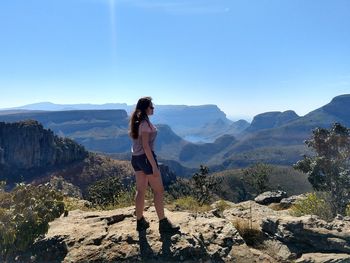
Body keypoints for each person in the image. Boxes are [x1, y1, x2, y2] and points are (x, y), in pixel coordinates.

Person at [129, 96, 180, 233]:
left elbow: (138, 145)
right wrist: (154, 167)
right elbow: (146, 146)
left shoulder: (138, 122)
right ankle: (163, 224)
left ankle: (140, 222)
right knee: (159, 191)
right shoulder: (145, 124)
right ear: (146, 108)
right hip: (146, 159)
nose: (153, 108)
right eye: (151, 106)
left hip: (136, 158)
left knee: (140, 190)